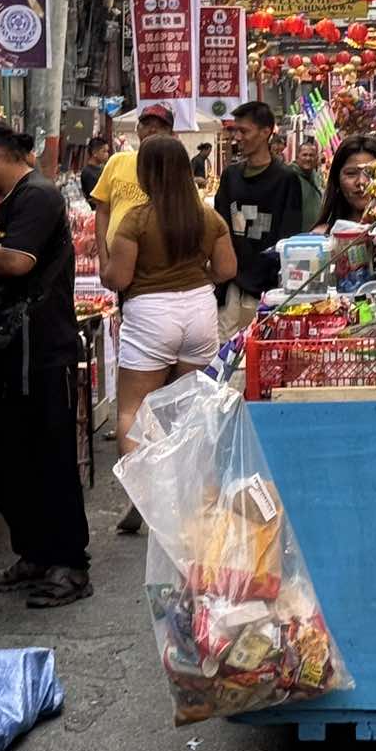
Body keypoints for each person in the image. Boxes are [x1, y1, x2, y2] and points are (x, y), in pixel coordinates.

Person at [0, 119, 91, 607]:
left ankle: (70, 565)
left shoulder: (39, 196)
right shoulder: (10, 203)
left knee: (50, 460)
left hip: (44, 352)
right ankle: (33, 554)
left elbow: (20, 263)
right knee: (12, 460)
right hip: (12, 354)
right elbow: (4, 277)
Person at [101, 135, 237, 534]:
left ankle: (144, 495)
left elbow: (119, 278)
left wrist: (109, 267)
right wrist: (197, 281)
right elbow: (227, 270)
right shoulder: (208, 217)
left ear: (145, 172)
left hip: (150, 314)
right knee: (189, 409)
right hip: (199, 310)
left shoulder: (136, 220)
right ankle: (192, 495)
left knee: (132, 409)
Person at [212, 101, 308, 336]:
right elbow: (218, 226)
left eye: (244, 131)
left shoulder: (286, 179)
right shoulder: (230, 176)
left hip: (268, 291)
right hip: (231, 286)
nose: (237, 137)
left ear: (266, 132)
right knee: (222, 356)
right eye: (235, 131)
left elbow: (289, 238)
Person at [91, 103, 174, 258]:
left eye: (161, 126)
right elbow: (102, 212)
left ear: (172, 134)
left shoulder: (176, 169)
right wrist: (103, 257)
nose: (153, 130)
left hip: (160, 264)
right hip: (116, 260)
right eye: (147, 124)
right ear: (137, 129)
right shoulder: (117, 161)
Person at [316, 134, 376, 230]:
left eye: (371, 173)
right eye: (351, 173)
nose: (361, 182)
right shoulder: (319, 238)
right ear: (337, 180)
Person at [292, 138, 324, 229]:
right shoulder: (289, 176)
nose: (308, 158)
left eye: (311, 155)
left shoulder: (316, 176)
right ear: (297, 157)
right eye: (304, 155)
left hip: (315, 232)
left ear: (317, 158)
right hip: (296, 234)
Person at [79, 136, 111, 202]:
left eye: (107, 151)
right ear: (94, 153)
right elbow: (94, 198)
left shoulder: (103, 168)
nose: (107, 154)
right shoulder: (88, 173)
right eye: (104, 151)